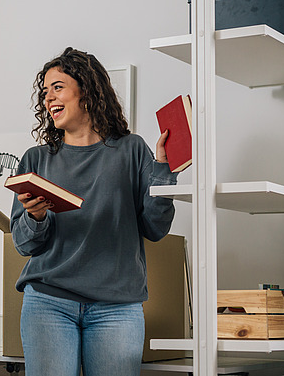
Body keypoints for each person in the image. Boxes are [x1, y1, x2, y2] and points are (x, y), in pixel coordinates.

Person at [10, 47, 178, 376]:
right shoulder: (36, 160)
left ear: (86, 89)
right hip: (48, 302)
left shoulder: (132, 149)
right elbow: (24, 245)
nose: (48, 99)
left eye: (57, 87)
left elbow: (156, 228)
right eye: (45, 92)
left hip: (117, 308)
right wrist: (36, 217)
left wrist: (163, 170)